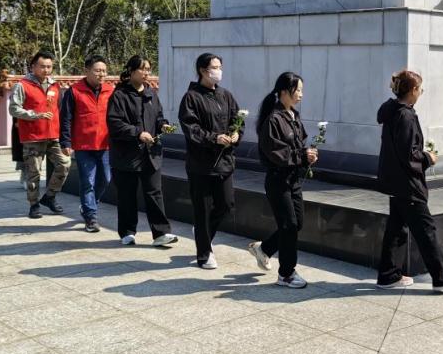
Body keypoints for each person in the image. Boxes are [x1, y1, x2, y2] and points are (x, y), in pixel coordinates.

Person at [375, 70, 443, 292]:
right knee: (425, 230)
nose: (421, 93)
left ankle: (389, 275)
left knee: (396, 229)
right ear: (413, 90)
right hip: (407, 184)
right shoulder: (405, 116)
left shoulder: (392, 111)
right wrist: (428, 158)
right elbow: (409, 154)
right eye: (420, 89)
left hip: (395, 182)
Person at [249, 72, 316, 288]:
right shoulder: (273, 119)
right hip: (278, 180)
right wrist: (301, 156)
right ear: (285, 92)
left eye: (302, 90)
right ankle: (286, 274)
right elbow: (276, 154)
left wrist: (308, 155)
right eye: (298, 90)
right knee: (289, 226)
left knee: (297, 224)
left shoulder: (293, 115)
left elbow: (297, 146)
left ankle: (264, 249)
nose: (301, 94)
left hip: (293, 179)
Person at [106, 55, 178, 248]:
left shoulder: (151, 93)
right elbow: (115, 124)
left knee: (155, 193)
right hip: (126, 155)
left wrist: (163, 125)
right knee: (127, 195)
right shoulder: (119, 96)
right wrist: (138, 133)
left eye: (148, 69)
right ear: (131, 71)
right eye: (142, 69)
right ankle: (127, 232)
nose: (146, 73)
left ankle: (161, 233)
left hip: (151, 153)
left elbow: (159, 116)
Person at [179, 53, 242, 270]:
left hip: (224, 161)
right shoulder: (191, 97)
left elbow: (237, 120)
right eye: (215, 67)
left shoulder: (226, 95)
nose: (218, 71)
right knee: (203, 210)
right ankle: (204, 253)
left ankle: (202, 232)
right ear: (203, 70)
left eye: (220, 67)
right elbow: (191, 129)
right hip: (201, 164)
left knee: (226, 204)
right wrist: (214, 138)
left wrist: (235, 134)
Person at [9, 50, 72, 219]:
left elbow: (60, 110)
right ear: (33, 67)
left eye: (49, 67)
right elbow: (13, 109)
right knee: (34, 173)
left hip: (54, 136)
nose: (46, 70)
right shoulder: (22, 85)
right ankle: (34, 204)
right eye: (43, 66)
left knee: (64, 164)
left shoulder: (55, 86)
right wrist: (35, 115)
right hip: (32, 137)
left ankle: (49, 196)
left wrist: (66, 136)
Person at [59, 55, 114, 232]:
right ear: (87, 71)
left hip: (105, 144)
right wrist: (65, 141)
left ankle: (89, 205)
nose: (101, 74)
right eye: (97, 70)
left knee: (106, 179)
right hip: (83, 145)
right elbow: (66, 118)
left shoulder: (110, 91)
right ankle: (91, 217)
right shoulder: (74, 91)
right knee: (88, 181)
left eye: (104, 71)